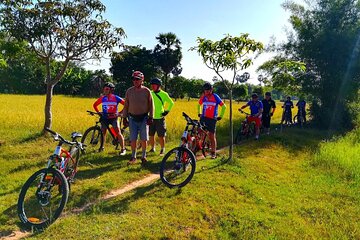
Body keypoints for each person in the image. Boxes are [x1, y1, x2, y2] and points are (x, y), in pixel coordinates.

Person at [122, 71, 154, 165]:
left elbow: (151, 105)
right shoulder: (129, 91)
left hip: (144, 118)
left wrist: (151, 117)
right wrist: (124, 117)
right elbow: (126, 105)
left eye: (137, 79)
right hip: (132, 118)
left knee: (144, 138)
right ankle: (133, 156)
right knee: (133, 138)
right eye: (134, 79)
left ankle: (144, 156)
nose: (135, 81)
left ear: (142, 80)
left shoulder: (146, 91)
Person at [93, 82, 126, 155]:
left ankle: (123, 149)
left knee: (118, 132)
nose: (105, 91)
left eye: (107, 89)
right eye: (104, 89)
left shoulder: (116, 97)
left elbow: (126, 104)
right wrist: (99, 112)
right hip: (105, 117)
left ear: (111, 90)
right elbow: (95, 105)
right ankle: (102, 147)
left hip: (114, 118)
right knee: (103, 133)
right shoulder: (102, 98)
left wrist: (120, 113)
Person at [198, 82, 226, 159]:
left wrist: (220, 116)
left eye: (207, 90)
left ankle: (213, 153)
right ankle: (199, 147)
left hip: (212, 119)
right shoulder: (204, 96)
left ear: (211, 90)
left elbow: (224, 106)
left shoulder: (215, 96)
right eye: (205, 91)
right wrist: (199, 113)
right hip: (203, 118)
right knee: (200, 133)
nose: (206, 92)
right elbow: (199, 104)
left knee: (211, 136)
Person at [148, 77, 174, 156]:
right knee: (151, 134)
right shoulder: (150, 93)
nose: (152, 86)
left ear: (158, 85)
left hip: (160, 118)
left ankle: (163, 148)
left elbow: (171, 103)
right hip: (151, 117)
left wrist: (166, 111)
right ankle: (153, 148)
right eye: (151, 85)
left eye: (154, 85)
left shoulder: (164, 94)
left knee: (161, 135)